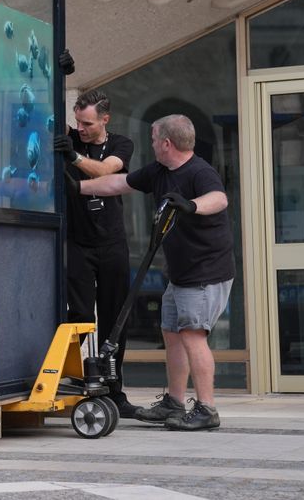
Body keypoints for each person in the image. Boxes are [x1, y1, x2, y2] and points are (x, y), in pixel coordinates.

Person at [73, 114, 234, 431]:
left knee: (193, 336)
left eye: (153, 140)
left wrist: (190, 205)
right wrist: (76, 187)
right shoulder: (160, 171)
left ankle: (207, 408)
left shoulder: (199, 171)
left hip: (205, 272)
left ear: (166, 143)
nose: (151, 145)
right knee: (172, 335)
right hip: (181, 273)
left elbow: (219, 198)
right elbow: (119, 181)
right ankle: (173, 402)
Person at [52, 90, 142, 419]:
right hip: (76, 241)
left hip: (112, 241)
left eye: (88, 123)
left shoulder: (121, 144)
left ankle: (114, 389)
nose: (82, 128)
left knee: (114, 316)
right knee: (78, 316)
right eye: (78, 121)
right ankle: (79, 383)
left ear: (105, 119)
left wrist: (73, 158)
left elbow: (106, 171)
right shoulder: (68, 135)